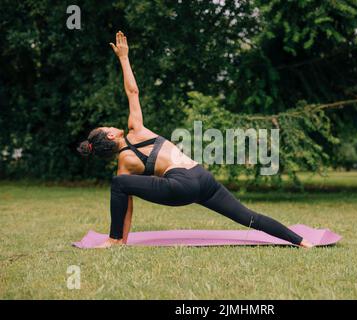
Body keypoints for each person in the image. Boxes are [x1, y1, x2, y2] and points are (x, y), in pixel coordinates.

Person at [77, 31, 313, 249]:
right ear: (110, 135)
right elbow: (133, 92)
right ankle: (302, 242)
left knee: (119, 184)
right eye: (107, 126)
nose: (111, 125)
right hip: (202, 177)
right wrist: (124, 58)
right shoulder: (136, 130)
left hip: (182, 187)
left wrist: (119, 239)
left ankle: (114, 240)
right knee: (248, 216)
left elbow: (125, 205)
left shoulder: (124, 166)